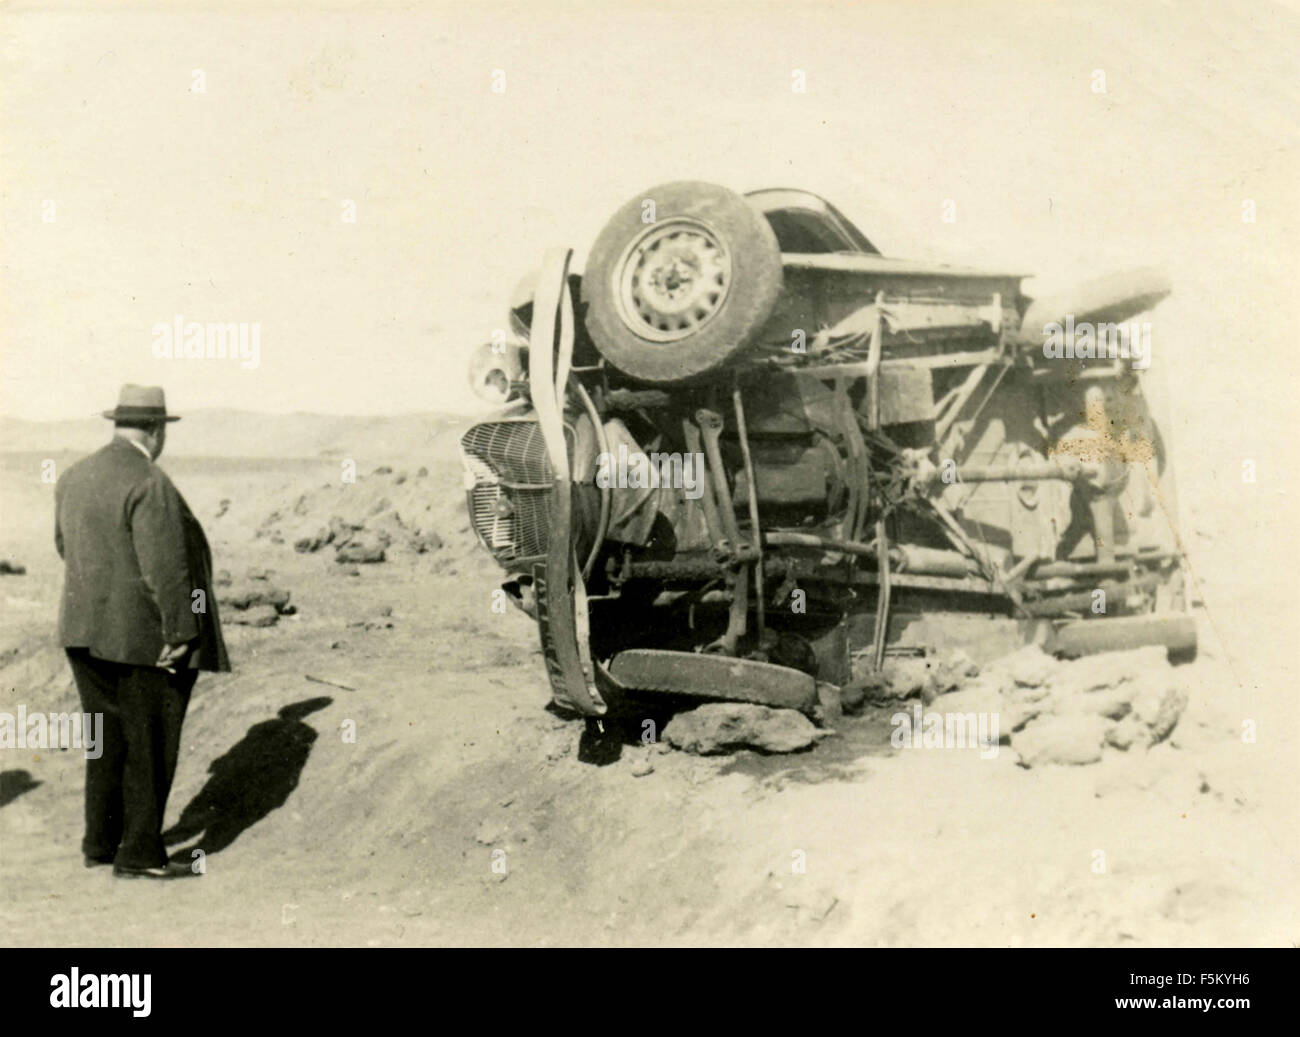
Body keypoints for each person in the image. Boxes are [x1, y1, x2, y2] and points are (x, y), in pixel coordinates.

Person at [55, 384, 229, 879]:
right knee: (148, 743)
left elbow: (65, 546)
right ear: (156, 432)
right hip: (141, 638)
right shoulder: (150, 482)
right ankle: (139, 854)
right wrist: (181, 628)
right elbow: (167, 568)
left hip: (81, 630)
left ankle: (100, 842)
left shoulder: (72, 476)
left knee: (104, 740)